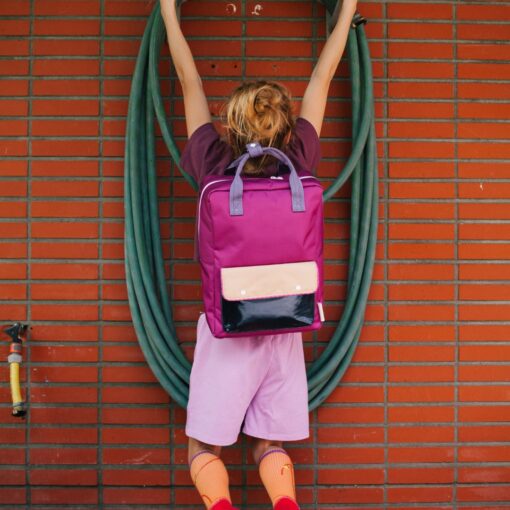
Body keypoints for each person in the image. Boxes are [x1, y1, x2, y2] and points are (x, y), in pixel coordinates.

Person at [160, 0, 358, 508]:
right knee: (269, 441)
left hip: (228, 323)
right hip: (286, 323)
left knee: (203, 446)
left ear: (231, 123)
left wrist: (168, 12)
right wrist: (349, 8)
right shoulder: (301, 158)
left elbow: (188, 80)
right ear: (286, 125)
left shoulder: (212, 160)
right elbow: (323, 76)